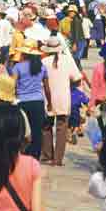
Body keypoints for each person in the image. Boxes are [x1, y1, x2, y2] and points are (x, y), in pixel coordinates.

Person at [13, 40, 52, 160]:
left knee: (22, 131)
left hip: (22, 102)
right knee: (37, 132)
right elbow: (46, 87)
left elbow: (13, 85)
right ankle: (34, 158)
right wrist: (50, 103)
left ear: (24, 54)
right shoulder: (42, 67)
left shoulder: (18, 67)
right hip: (38, 102)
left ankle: (22, 155)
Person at [41, 37, 74, 166]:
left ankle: (48, 155)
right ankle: (58, 159)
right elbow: (76, 78)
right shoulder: (67, 61)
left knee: (46, 126)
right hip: (63, 98)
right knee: (61, 128)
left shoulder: (43, 61)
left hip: (47, 98)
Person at [89, 42, 106, 112]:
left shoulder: (97, 68)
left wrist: (91, 104)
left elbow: (94, 87)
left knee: (100, 122)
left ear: (103, 56)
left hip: (99, 102)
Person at [68, 76, 89, 144]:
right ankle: (75, 131)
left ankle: (69, 135)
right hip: (76, 114)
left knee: (69, 124)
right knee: (79, 116)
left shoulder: (66, 92)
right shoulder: (79, 93)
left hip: (67, 113)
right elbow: (86, 101)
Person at [68, 4, 86, 69]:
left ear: (75, 12)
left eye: (71, 12)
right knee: (77, 59)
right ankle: (79, 70)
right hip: (80, 41)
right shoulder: (76, 19)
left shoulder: (75, 21)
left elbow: (76, 33)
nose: (70, 13)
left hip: (78, 41)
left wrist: (75, 44)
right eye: (69, 12)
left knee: (76, 59)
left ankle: (78, 72)